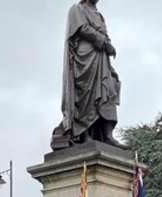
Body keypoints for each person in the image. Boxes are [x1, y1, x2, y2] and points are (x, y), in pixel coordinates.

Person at [51, 0, 124, 150]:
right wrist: (103, 41)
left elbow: (105, 34)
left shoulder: (100, 15)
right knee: (86, 94)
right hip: (85, 57)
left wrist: (108, 43)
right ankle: (84, 134)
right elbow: (82, 28)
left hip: (102, 58)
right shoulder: (76, 9)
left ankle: (108, 135)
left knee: (109, 89)